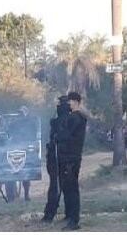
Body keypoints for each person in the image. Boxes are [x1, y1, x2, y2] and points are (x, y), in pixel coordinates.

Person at [56, 92, 87, 231]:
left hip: (71, 158)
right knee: (67, 188)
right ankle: (70, 215)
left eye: (69, 101)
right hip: (68, 156)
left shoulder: (76, 118)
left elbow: (65, 135)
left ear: (75, 102)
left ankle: (74, 221)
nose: (67, 104)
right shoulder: (74, 117)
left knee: (72, 189)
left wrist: (61, 124)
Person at [41, 95, 69, 223]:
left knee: (57, 187)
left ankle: (50, 214)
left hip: (61, 158)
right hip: (60, 158)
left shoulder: (63, 121)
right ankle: (62, 214)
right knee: (63, 187)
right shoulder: (62, 121)